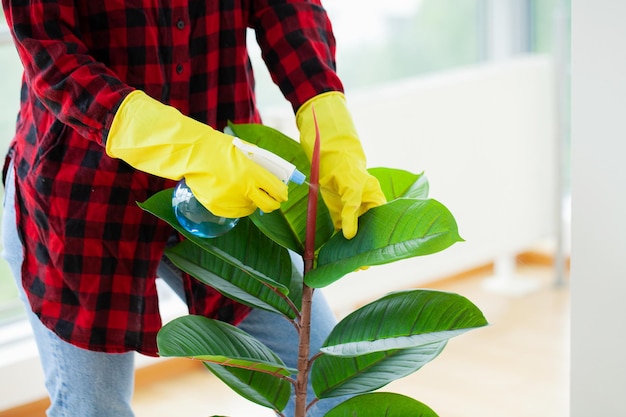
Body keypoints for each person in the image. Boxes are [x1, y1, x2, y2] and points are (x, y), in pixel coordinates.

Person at [1, 1, 386, 416]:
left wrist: (327, 120)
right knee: (93, 408)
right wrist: (195, 151)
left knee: (332, 384)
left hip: (228, 190)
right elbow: (56, 61)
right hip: (84, 201)